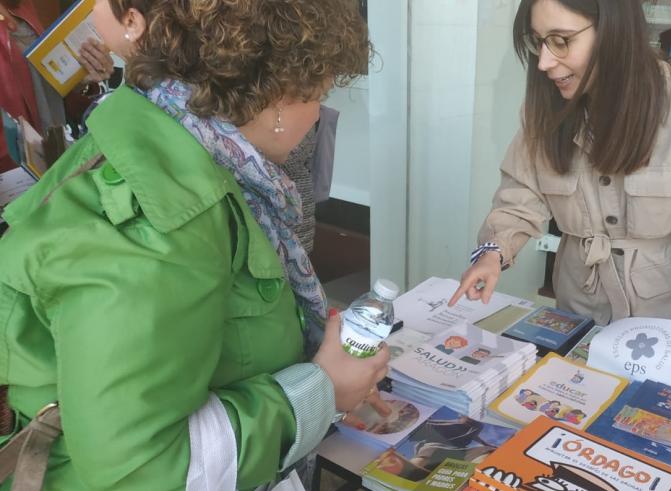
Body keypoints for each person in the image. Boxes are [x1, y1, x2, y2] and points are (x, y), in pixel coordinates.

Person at [0, 0, 388, 488]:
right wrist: (322, 389)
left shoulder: (165, 140)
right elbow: (144, 470)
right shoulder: (167, 217)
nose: (316, 117)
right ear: (276, 94)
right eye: (318, 94)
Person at [449, 0, 671, 390]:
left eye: (561, 41)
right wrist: (492, 252)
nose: (545, 63)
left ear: (613, 30)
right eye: (539, 42)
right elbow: (521, 191)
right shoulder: (546, 107)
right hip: (578, 315)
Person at [0, 0, 115, 171]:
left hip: (55, 156)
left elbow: (45, 89)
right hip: (14, 174)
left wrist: (82, 79)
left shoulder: (21, 5)